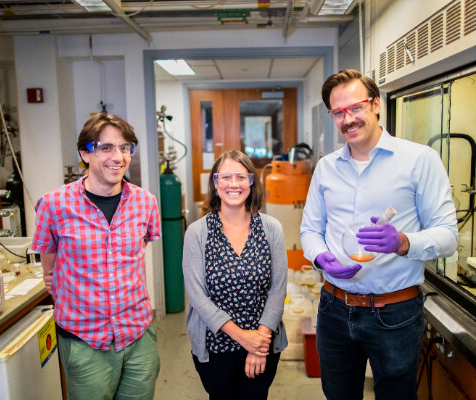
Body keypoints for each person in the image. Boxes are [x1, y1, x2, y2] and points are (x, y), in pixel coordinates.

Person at [300, 69, 458, 400]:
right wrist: (320, 256)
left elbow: (447, 237)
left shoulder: (419, 161)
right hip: (334, 307)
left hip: (394, 314)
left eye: (355, 107)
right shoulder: (327, 168)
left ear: (376, 105)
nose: (347, 119)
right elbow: (310, 229)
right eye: (338, 112)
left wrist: (403, 243)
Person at [32, 113, 161, 400]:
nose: (118, 156)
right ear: (85, 153)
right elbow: (48, 263)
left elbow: (134, 255)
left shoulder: (145, 202)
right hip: (86, 341)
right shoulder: (53, 205)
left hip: (138, 335)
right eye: (106, 147)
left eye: (125, 147)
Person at [182, 150, 288, 400]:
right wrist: (243, 338)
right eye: (226, 176)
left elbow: (278, 289)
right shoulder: (198, 233)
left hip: (263, 346)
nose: (233, 184)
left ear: (251, 182)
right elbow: (197, 296)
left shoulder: (271, 228)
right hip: (216, 347)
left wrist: (259, 344)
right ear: (215, 182)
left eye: (241, 177)